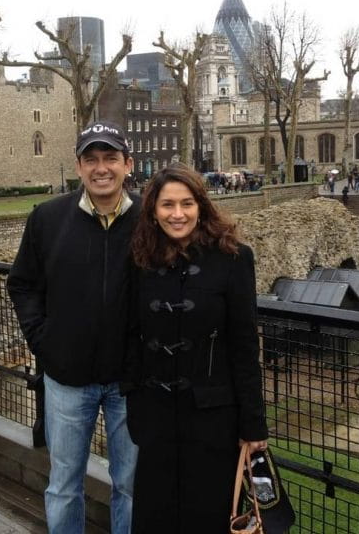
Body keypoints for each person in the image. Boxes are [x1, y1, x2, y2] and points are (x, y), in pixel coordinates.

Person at [7, 121, 139, 534]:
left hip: (131, 379)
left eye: (110, 158)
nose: (101, 168)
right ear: (79, 167)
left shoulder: (149, 219)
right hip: (67, 378)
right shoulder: (48, 218)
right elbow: (23, 284)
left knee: (131, 485)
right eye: (91, 159)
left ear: (128, 164)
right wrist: (44, 341)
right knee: (64, 484)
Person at [125, 164, 268, 533]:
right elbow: (130, 334)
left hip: (213, 419)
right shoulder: (140, 258)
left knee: (207, 518)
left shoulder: (234, 258)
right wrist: (135, 399)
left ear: (201, 206)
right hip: (156, 417)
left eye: (186, 203)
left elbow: (244, 344)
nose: (178, 214)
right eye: (167, 204)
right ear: (153, 211)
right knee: (155, 519)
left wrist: (253, 424)